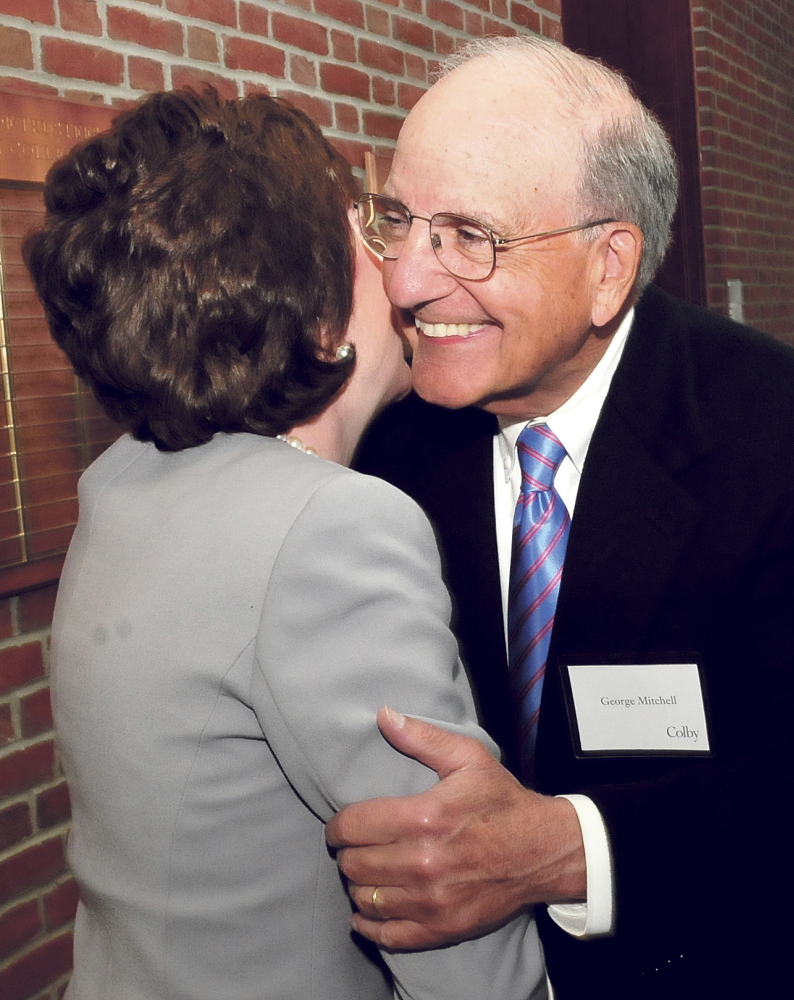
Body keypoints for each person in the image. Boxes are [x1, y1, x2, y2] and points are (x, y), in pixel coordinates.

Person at [326, 35, 794, 999]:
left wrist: (559, 849)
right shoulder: (392, 448)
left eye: (468, 235)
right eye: (398, 220)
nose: (406, 281)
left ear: (608, 267)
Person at [25, 88, 546, 1000]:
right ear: (311, 306)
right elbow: (453, 921)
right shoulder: (328, 530)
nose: (405, 267)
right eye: (367, 226)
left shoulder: (123, 480)